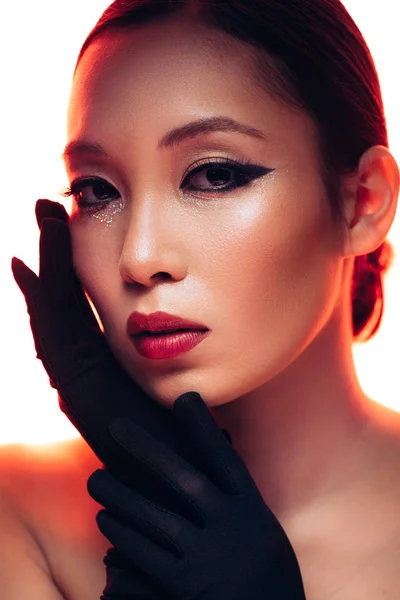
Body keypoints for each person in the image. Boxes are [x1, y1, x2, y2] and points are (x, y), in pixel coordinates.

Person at [2, 0, 400, 598]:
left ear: (362, 201)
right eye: (97, 190)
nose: (138, 257)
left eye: (213, 175)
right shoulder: (22, 514)